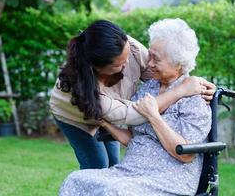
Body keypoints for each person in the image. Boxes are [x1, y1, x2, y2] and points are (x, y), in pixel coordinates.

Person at [59, 18, 212, 196]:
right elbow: (133, 139)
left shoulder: (195, 98)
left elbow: (186, 154)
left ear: (178, 63)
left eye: (156, 59)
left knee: (113, 192)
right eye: (150, 56)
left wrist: (154, 116)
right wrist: (106, 124)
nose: (149, 63)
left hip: (168, 178)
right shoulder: (149, 88)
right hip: (130, 172)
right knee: (74, 180)